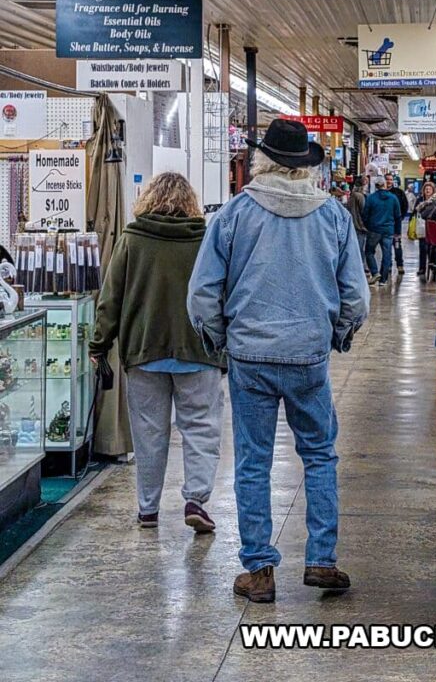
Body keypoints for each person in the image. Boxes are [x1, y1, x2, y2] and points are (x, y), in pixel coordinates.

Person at [187, 119, 370, 603]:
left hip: (250, 357)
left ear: (261, 161)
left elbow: (202, 295)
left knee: (252, 462)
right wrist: (335, 335)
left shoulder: (233, 215)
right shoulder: (333, 215)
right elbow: (357, 298)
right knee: (319, 455)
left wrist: (221, 342)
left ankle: (260, 570)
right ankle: (321, 560)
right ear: (305, 168)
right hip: (308, 357)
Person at [91, 172, 224, 533]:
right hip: (199, 349)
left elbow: (110, 298)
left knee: (149, 433)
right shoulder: (205, 240)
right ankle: (195, 499)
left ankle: (148, 509)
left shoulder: (132, 240)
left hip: (145, 352)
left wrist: (99, 344)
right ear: (191, 202)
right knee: (201, 428)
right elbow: (221, 294)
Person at [363, 175, 402, 286]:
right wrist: (397, 232)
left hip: (374, 229)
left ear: (375, 186)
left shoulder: (371, 198)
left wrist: (367, 226)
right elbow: (398, 216)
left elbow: (365, 214)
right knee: (387, 254)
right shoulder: (393, 198)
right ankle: (383, 280)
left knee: (369, 252)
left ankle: (375, 272)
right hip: (389, 230)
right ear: (384, 185)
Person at [415, 183, 436, 279]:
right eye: (426, 189)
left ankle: (433, 266)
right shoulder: (420, 200)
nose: (427, 191)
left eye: (429, 189)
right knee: (422, 248)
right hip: (422, 227)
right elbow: (416, 211)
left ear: (433, 190)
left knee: (433, 248)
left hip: (433, 228)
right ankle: (422, 268)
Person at [384, 172, 408, 275]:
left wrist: (400, 218)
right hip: (384, 224)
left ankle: (400, 265)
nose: (388, 182)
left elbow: (405, 205)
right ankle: (388, 265)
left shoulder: (399, 193)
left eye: (390, 179)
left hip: (396, 224)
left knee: (397, 244)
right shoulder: (380, 193)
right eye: (387, 179)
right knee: (386, 246)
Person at [348, 176, 368, 261]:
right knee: (359, 249)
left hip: (353, 224)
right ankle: (360, 268)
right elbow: (364, 211)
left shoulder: (352, 195)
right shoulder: (360, 196)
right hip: (359, 226)